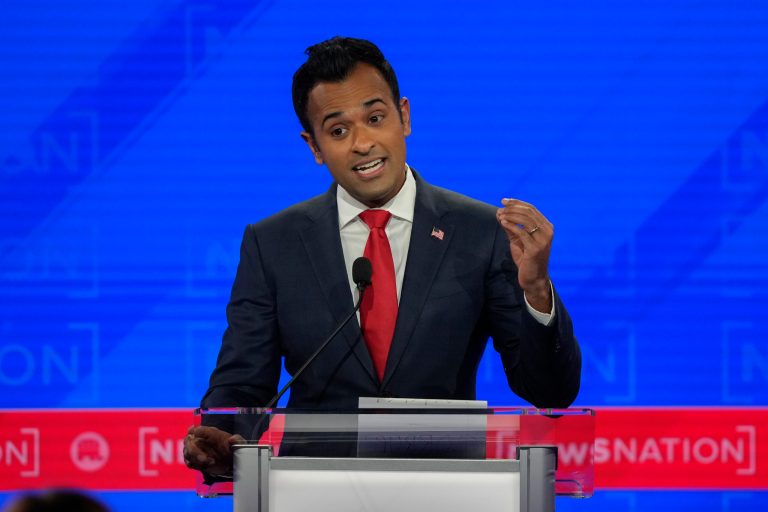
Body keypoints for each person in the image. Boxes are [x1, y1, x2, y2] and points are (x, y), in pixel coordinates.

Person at [184, 36, 581, 477]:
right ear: (314, 146)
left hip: (447, 491)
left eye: (375, 118)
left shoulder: (481, 232)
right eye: (338, 130)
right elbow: (241, 387)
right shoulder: (273, 244)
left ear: (404, 116)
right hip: (314, 493)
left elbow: (550, 390)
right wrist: (218, 438)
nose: (362, 143)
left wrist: (536, 291)